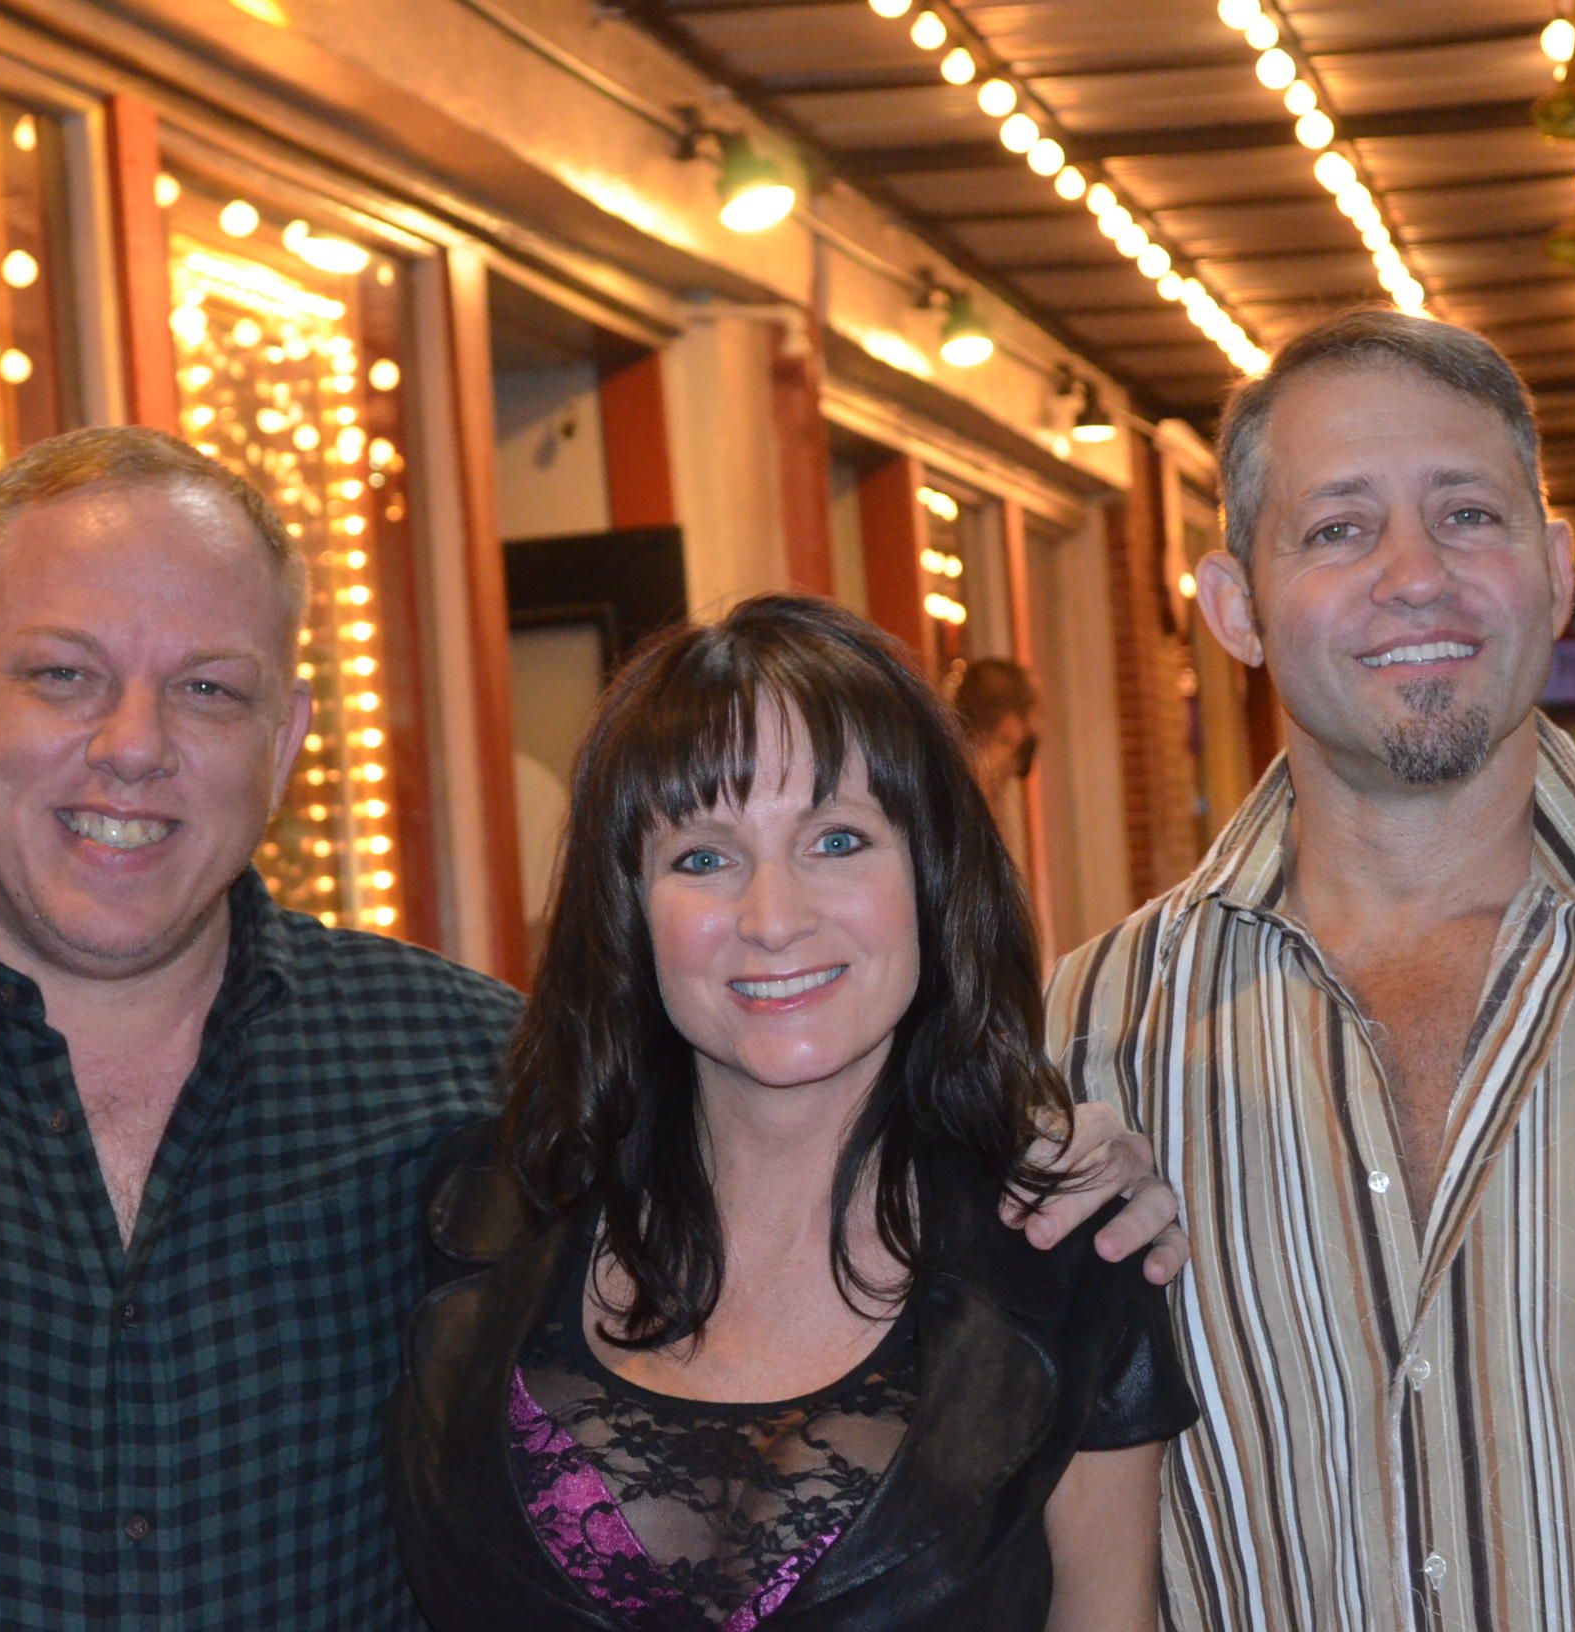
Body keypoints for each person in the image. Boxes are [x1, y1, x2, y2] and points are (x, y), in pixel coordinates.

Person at [0, 427, 1184, 1630]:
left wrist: (1034, 1150)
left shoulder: (466, 1084)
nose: (131, 749)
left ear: (289, 738)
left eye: (208, 689)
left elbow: (772, 1147)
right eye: (61, 675)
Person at [1045, 309, 1575, 1629]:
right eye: (1338, 528)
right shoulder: (1095, 1037)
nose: (1415, 575)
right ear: (1235, 607)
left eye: (1467, 515)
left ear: (1552, 570)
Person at [389, 594, 1197, 1630]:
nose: (772, 919)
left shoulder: (1067, 1255)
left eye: (838, 840)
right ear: (627, 910)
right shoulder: (474, 1217)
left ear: (932, 877)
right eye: (703, 858)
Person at [952, 655, 1042, 814]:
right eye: (1036, 715)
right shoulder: (967, 804)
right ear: (1011, 725)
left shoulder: (957, 784)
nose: (1039, 730)